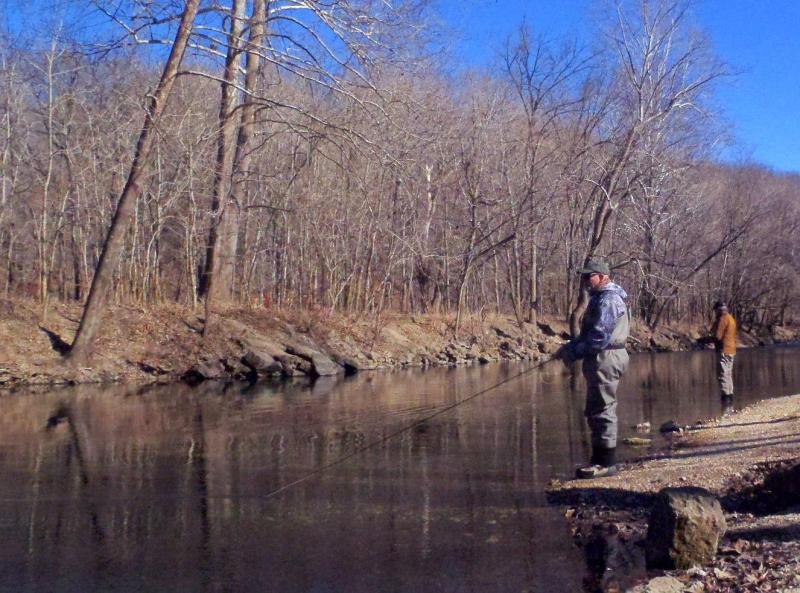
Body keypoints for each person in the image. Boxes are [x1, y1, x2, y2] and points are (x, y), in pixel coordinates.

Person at [558, 259, 630, 479]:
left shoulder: (609, 300)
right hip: (602, 356)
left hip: (606, 356)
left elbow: (599, 337)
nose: (585, 281)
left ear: (602, 276)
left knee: (603, 407)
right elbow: (591, 335)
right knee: (596, 407)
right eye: (584, 277)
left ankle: (606, 463)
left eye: (589, 276)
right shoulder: (601, 297)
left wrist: (574, 352)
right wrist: (571, 347)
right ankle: (599, 459)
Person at [703, 301, 737, 410]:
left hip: (723, 350)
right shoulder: (731, 318)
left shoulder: (723, 319)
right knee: (728, 374)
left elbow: (717, 336)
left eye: (715, 310)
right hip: (731, 350)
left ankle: (725, 401)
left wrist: (704, 340)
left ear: (718, 309)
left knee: (722, 375)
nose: (715, 312)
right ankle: (730, 400)